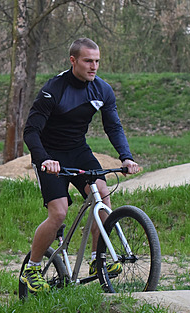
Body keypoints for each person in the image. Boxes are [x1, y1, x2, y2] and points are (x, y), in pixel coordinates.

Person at [21, 37, 141, 292]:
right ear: (73, 61)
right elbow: (31, 131)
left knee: (103, 200)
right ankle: (31, 268)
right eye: (88, 61)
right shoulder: (54, 89)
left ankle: (98, 261)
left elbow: (113, 126)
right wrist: (44, 159)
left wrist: (126, 156)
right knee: (59, 213)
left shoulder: (102, 90)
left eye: (97, 61)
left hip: (78, 151)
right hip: (49, 154)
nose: (93, 66)